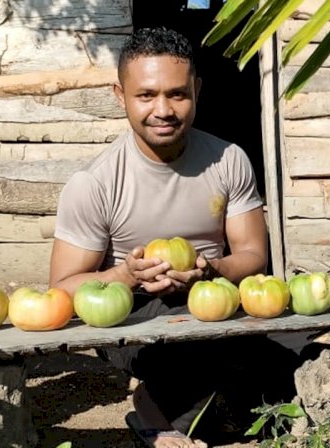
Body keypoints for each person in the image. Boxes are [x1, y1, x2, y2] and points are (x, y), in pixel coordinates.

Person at [49, 27, 300, 448]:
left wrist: (210, 269)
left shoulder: (228, 160)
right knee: (192, 352)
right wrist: (127, 276)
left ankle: (176, 409)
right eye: (146, 95)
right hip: (134, 313)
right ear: (120, 95)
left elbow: (254, 254)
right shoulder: (94, 183)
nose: (162, 109)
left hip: (213, 299)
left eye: (177, 94)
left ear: (197, 90)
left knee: (298, 347)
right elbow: (62, 287)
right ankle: (152, 404)